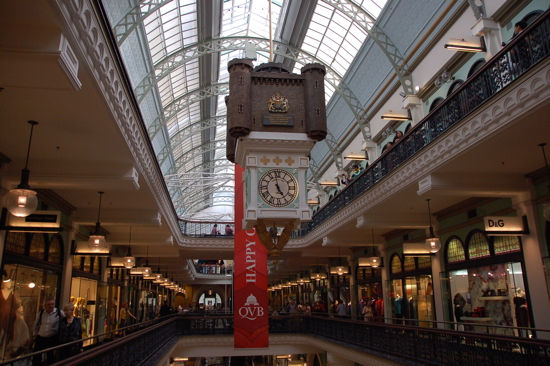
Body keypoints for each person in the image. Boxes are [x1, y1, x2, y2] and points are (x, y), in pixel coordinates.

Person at [32, 297, 65, 365]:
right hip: (41, 338)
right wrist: (35, 334)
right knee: (36, 357)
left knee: (51, 357)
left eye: (52, 304)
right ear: (45, 305)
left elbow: (64, 321)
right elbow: (36, 324)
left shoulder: (59, 312)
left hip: (52, 338)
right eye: (49, 304)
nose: (51, 306)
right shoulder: (41, 313)